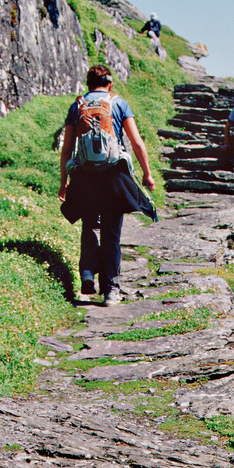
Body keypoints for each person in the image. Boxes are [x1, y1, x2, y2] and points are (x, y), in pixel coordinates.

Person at [59, 64, 156, 306]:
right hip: (113, 175)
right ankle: (111, 289)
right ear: (110, 84)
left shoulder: (78, 104)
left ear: (88, 83)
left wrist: (64, 181)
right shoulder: (118, 103)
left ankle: (88, 274)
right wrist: (147, 174)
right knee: (111, 231)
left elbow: (67, 148)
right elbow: (136, 141)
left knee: (90, 224)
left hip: (85, 175)